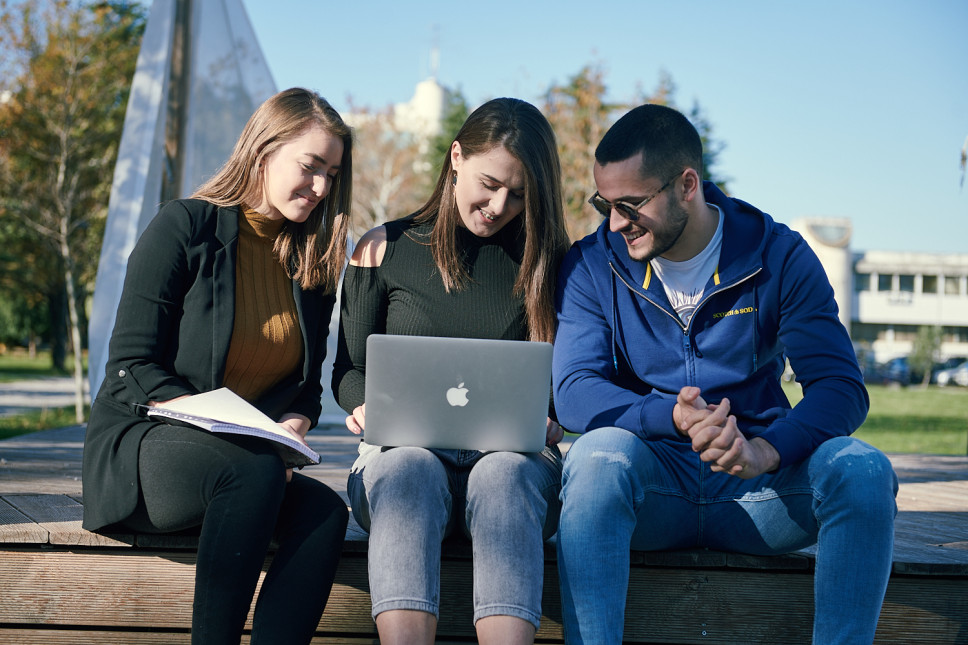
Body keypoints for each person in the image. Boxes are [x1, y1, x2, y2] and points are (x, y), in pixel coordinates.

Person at [552, 103, 899, 644]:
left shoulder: (778, 255)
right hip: (652, 486)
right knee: (596, 460)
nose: (615, 222)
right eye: (605, 203)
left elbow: (840, 387)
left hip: (761, 492)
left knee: (864, 471)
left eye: (631, 204)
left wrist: (768, 450)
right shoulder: (594, 263)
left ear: (687, 185)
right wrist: (671, 415)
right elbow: (574, 390)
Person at [82, 87, 352, 645]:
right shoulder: (184, 226)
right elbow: (130, 366)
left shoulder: (312, 264)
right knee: (249, 469)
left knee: (324, 511)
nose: (321, 186)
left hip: (249, 462)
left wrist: (288, 435)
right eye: (310, 167)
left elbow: (305, 391)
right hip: (147, 446)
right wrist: (237, 432)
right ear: (262, 150)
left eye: (332, 173)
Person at [332, 97, 570, 645]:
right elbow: (348, 371)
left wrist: (552, 417)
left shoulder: (551, 260)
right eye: (490, 183)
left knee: (504, 475)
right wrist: (363, 405)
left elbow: (562, 380)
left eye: (519, 194)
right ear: (456, 157)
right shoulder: (384, 249)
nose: (499, 205)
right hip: (401, 462)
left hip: (515, 466)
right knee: (409, 470)